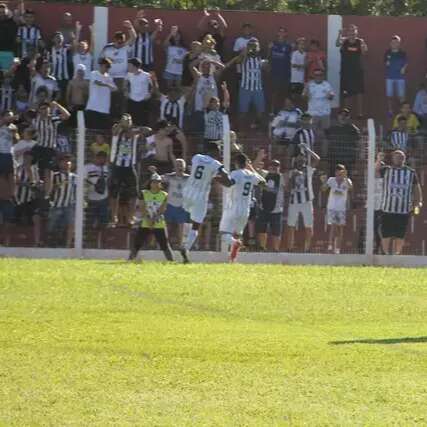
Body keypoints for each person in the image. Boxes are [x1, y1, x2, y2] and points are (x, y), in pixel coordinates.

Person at [180, 142, 234, 263]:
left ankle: (183, 242)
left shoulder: (197, 157)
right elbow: (228, 181)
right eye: (219, 150)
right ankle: (185, 247)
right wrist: (223, 180)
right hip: (200, 195)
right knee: (196, 225)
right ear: (213, 151)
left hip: (187, 192)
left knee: (187, 218)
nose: (219, 153)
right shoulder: (216, 164)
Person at [220, 153, 265, 262]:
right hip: (245, 210)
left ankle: (235, 244)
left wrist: (218, 178)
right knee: (237, 234)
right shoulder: (250, 174)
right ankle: (232, 259)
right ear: (246, 163)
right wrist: (251, 168)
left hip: (233, 207)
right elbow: (263, 182)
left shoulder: (235, 173)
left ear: (236, 163)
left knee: (224, 235)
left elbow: (230, 183)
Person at [377, 150, 422, 255]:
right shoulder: (387, 170)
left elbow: (416, 188)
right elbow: (375, 171)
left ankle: (396, 254)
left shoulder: (411, 172)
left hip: (403, 209)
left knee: (400, 234)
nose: (399, 159)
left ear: (404, 159)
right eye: (396, 157)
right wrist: (379, 159)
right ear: (392, 158)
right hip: (387, 208)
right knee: (386, 233)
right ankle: (387, 254)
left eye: (401, 157)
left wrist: (418, 202)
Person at [128, 173, 174, 262]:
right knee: (138, 242)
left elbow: (162, 209)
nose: (155, 184)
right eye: (153, 182)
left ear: (160, 183)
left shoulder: (164, 195)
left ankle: (171, 261)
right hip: (146, 221)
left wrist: (154, 218)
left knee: (164, 243)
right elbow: (142, 207)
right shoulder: (144, 193)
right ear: (150, 183)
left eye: (157, 182)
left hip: (159, 222)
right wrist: (149, 218)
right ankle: (130, 259)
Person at [226, 38, 267, 129]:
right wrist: (245, 51)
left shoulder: (260, 59)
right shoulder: (244, 58)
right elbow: (237, 61)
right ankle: (240, 129)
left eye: (255, 46)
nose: (253, 48)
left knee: (261, 111)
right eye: (251, 46)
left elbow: (266, 67)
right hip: (245, 88)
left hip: (258, 88)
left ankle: (259, 127)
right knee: (242, 112)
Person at [286, 147, 320, 253]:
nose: (301, 160)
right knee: (291, 225)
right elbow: (287, 188)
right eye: (299, 157)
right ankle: (290, 248)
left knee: (309, 225)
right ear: (295, 159)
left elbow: (317, 159)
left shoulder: (308, 169)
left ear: (305, 159)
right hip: (294, 202)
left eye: (303, 157)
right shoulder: (291, 172)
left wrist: (308, 150)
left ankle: (307, 248)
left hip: (307, 201)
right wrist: (292, 177)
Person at [109, 114, 140, 226]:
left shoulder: (134, 132)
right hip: (117, 165)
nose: (127, 121)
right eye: (124, 119)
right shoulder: (117, 128)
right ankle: (114, 217)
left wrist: (136, 130)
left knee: (134, 192)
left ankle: (131, 216)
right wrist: (122, 125)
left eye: (129, 120)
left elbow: (148, 130)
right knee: (114, 192)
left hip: (129, 166)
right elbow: (115, 132)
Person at [100, 21, 136, 117]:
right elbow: (101, 61)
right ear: (114, 39)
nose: (120, 42)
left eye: (122, 40)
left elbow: (133, 38)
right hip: (109, 77)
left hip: (121, 77)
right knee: (110, 99)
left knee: (121, 99)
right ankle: (109, 119)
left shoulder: (125, 48)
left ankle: (121, 119)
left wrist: (130, 27)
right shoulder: (107, 48)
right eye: (118, 40)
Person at [14, 150, 46, 246]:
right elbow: (16, 181)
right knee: (15, 221)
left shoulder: (35, 169)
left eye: (29, 157)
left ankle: (37, 242)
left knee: (36, 219)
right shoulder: (18, 168)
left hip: (31, 199)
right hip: (19, 198)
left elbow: (37, 182)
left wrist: (39, 184)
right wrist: (28, 184)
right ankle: (13, 242)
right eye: (26, 157)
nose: (28, 159)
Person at [336, 24, 368, 118]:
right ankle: (346, 114)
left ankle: (360, 113)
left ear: (356, 32)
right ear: (347, 32)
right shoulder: (344, 41)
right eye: (350, 31)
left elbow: (364, 52)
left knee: (359, 92)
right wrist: (339, 34)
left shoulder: (360, 41)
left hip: (357, 71)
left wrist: (363, 45)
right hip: (346, 71)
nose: (352, 33)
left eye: (353, 31)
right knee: (346, 93)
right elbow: (337, 44)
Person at [321, 164, 353, 254]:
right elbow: (323, 189)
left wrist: (345, 177)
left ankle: (338, 248)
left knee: (340, 228)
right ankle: (330, 245)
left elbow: (351, 188)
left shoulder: (347, 181)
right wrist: (323, 182)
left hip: (341, 209)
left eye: (341, 172)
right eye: (338, 173)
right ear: (335, 173)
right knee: (333, 226)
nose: (339, 175)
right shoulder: (331, 180)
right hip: (332, 207)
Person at [47, 154, 77, 248]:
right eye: (64, 161)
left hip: (70, 205)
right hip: (56, 204)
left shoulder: (75, 177)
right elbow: (49, 189)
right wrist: (57, 185)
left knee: (71, 224)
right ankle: (51, 243)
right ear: (60, 163)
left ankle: (68, 245)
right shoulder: (55, 176)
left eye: (69, 161)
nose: (67, 163)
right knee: (52, 226)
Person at [256, 159, 285, 252]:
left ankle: (276, 249)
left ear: (279, 167)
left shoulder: (282, 177)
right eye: (272, 165)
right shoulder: (264, 174)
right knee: (262, 229)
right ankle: (262, 247)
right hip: (263, 207)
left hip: (276, 209)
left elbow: (282, 188)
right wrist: (258, 162)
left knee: (276, 232)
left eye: (276, 166)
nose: (274, 167)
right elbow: (255, 171)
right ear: (268, 167)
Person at [162, 159, 190, 248]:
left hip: (182, 206)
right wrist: (154, 172)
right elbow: (158, 178)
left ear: (184, 167)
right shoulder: (169, 176)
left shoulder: (189, 178)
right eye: (177, 165)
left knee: (181, 226)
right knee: (167, 225)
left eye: (181, 165)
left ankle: (180, 245)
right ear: (174, 167)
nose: (179, 167)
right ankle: (164, 244)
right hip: (170, 204)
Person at [326, 108, 360, 178]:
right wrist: (326, 156)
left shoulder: (353, 129)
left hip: (348, 160)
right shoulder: (332, 129)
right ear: (338, 116)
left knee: (347, 181)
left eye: (345, 115)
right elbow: (326, 142)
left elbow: (359, 144)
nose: (343, 117)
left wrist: (357, 157)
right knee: (332, 180)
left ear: (348, 117)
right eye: (341, 115)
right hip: (334, 159)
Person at [85, 58, 117, 130]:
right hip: (93, 108)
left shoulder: (109, 77)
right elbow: (97, 82)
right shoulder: (94, 73)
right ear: (102, 65)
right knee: (91, 130)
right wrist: (108, 85)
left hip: (104, 109)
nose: (108, 69)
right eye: (107, 66)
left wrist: (109, 84)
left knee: (102, 130)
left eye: (109, 67)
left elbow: (115, 88)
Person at [84, 150, 109, 240]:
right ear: (96, 157)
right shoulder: (87, 167)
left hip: (104, 199)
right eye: (100, 157)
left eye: (104, 158)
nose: (102, 160)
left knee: (104, 221)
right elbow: (82, 181)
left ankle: (103, 239)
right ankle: (89, 239)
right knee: (90, 221)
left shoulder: (107, 168)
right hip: (91, 199)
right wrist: (91, 186)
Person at [303, 68, 335, 138]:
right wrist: (306, 92)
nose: (318, 77)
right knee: (311, 135)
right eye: (316, 75)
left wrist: (329, 96)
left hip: (325, 113)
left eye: (320, 75)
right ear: (314, 76)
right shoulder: (309, 85)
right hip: (312, 113)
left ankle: (324, 149)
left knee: (326, 136)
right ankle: (312, 148)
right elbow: (304, 98)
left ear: (323, 76)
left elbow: (331, 97)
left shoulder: (327, 85)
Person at [268, 27, 292, 113]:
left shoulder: (288, 45)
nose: (281, 33)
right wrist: (269, 49)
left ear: (286, 34)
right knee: (274, 93)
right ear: (277, 33)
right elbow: (268, 57)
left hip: (285, 73)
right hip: (274, 72)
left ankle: (284, 111)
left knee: (284, 93)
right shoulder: (272, 44)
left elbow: (291, 59)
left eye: (283, 32)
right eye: (280, 31)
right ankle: (272, 111)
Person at [125, 57, 152, 126]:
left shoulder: (146, 75)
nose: (128, 67)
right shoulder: (128, 74)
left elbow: (153, 86)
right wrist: (126, 92)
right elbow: (125, 84)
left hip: (142, 101)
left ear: (134, 66)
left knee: (142, 122)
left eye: (129, 65)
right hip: (132, 101)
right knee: (131, 122)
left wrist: (149, 94)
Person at [385, 35, 407, 116]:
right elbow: (385, 62)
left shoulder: (402, 53)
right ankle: (390, 111)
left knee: (401, 96)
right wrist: (387, 63)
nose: (394, 44)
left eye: (396, 42)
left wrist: (404, 68)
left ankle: (402, 112)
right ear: (390, 43)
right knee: (389, 96)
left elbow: (406, 62)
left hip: (400, 78)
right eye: (393, 42)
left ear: (399, 43)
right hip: (389, 77)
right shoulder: (387, 52)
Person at [0, 110, 19, 196]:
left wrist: (15, 134)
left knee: (12, 175)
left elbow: (16, 141)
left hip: (9, 154)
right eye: (8, 115)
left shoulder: (13, 127)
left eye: (11, 115)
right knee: (2, 175)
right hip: (1, 153)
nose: (10, 117)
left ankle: (12, 195)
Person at [0, 3, 17, 72]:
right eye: (0, 12)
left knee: (7, 74)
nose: (1, 14)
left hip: (8, 53)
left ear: (6, 12)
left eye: (3, 12)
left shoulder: (12, 23)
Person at [290, 37, 307, 105]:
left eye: (303, 44)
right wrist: (302, 66)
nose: (302, 45)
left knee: (302, 97)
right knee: (293, 97)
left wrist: (302, 66)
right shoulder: (295, 53)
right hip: (294, 79)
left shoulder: (306, 54)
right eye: (300, 44)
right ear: (298, 45)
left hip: (302, 79)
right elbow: (293, 65)